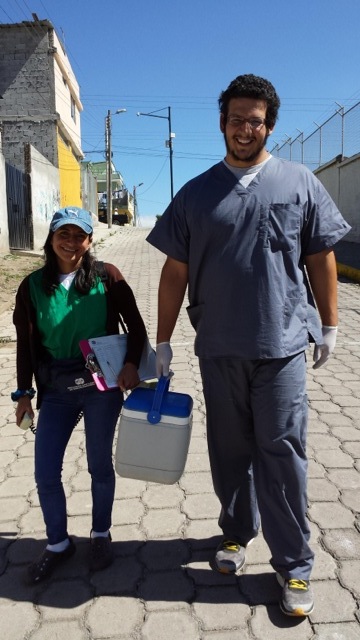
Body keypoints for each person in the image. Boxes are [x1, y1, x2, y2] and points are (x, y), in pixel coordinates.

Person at [146, 74, 351, 617]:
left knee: (282, 454)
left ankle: (295, 566)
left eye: (254, 120)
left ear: (269, 125)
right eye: (235, 119)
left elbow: (322, 257)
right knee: (230, 451)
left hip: (282, 346)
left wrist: (329, 326)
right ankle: (237, 533)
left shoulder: (299, 182)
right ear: (222, 123)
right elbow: (173, 272)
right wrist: (161, 341)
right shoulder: (196, 193)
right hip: (219, 347)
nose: (244, 128)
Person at [12, 206, 147, 583]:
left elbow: (136, 328)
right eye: (63, 235)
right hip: (56, 389)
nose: (71, 243)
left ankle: (100, 534)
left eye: (79, 236)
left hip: (101, 387)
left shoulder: (107, 277)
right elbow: (26, 345)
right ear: (51, 238)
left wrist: (132, 364)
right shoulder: (32, 287)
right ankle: (58, 543)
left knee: (99, 465)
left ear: (90, 241)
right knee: (45, 471)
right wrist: (24, 393)